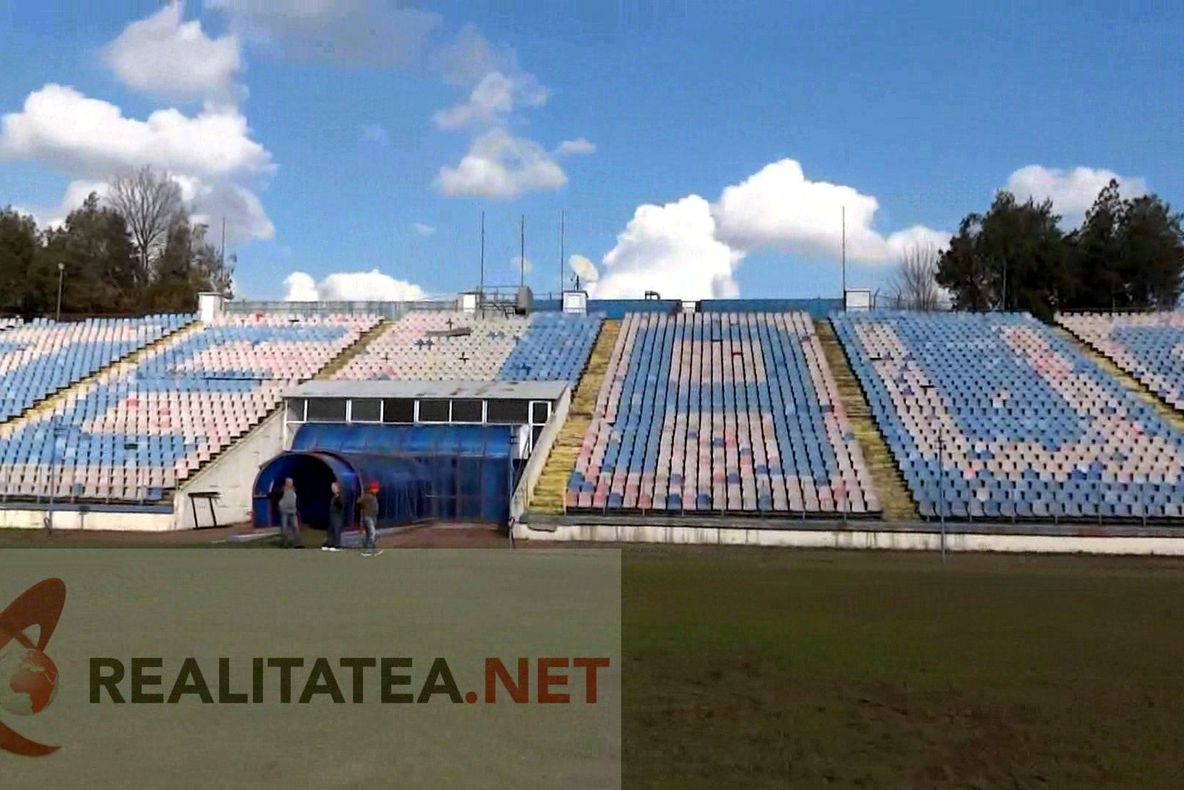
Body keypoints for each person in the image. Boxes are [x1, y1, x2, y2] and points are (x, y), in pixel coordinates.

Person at [277, 478, 303, 549]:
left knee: (296, 527)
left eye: (291, 482)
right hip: (284, 511)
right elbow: (276, 496)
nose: (290, 484)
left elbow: (296, 500)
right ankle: (284, 544)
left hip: (293, 511)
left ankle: (298, 544)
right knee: (284, 528)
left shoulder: (294, 490)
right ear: (286, 483)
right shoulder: (282, 490)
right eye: (288, 482)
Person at [359, 481, 381, 557]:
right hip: (369, 517)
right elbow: (359, 502)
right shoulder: (367, 496)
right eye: (376, 489)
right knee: (372, 533)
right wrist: (363, 508)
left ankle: (373, 550)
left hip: (372, 516)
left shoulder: (372, 496)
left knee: (369, 534)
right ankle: (368, 550)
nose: (377, 490)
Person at [323, 481, 344, 552]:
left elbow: (341, 506)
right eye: (332, 487)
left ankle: (337, 545)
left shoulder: (340, 496)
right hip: (332, 517)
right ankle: (330, 544)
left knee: (336, 530)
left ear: (337, 488)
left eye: (334, 487)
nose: (332, 489)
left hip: (337, 517)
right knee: (331, 531)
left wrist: (338, 499)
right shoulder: (333, 496)